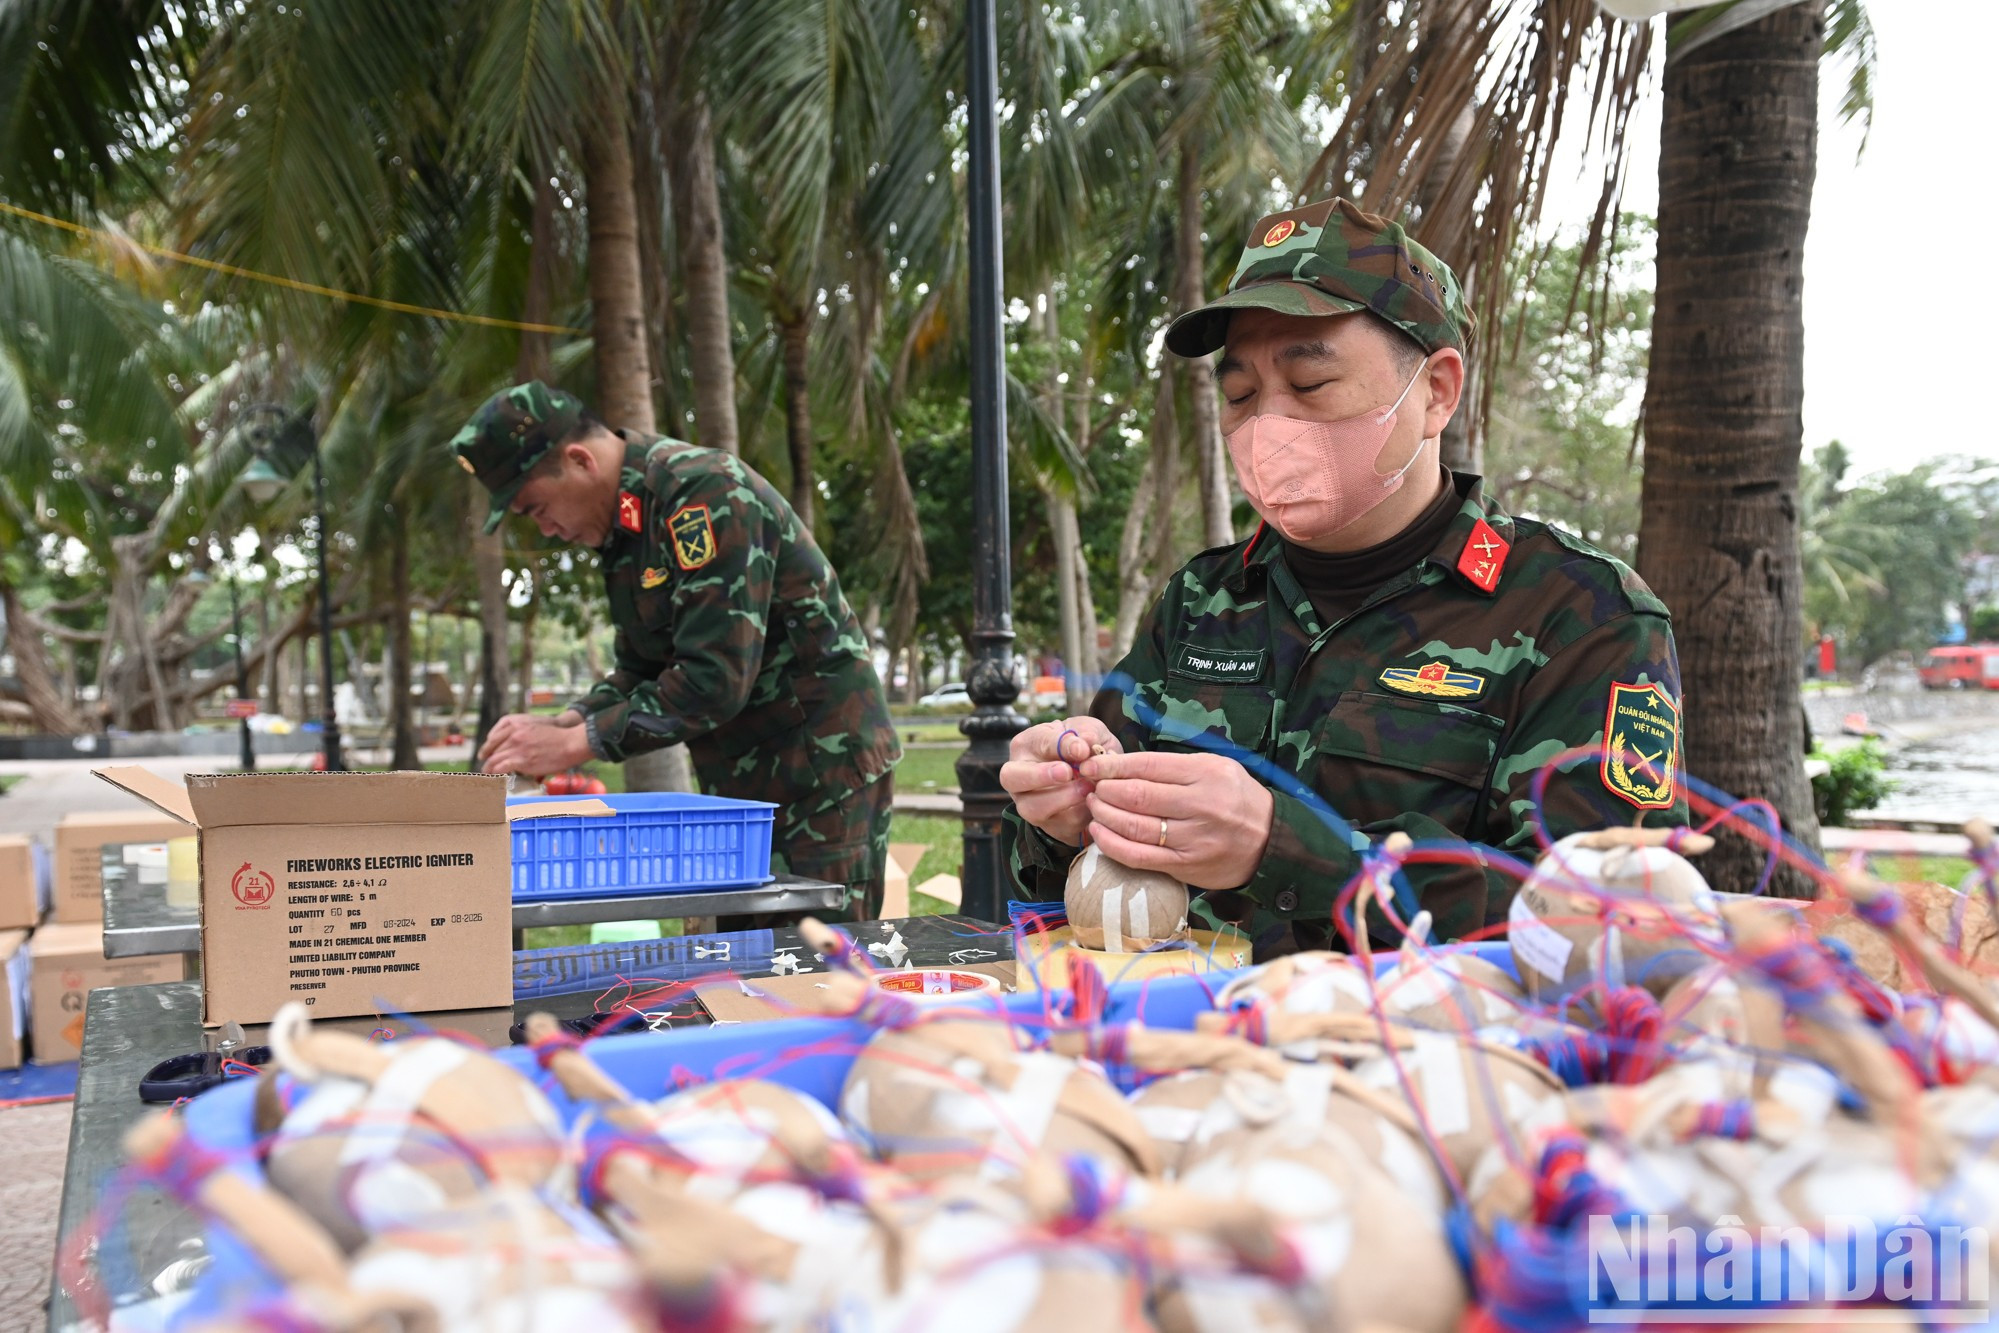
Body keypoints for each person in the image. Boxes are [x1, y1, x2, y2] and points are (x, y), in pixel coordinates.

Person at [1001, 198, 1686, 955]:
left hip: (1424, 1031)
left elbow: (1616, 924)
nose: (1267, 424)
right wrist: (1060, 815)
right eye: (1239, 395)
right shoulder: (1201, 601)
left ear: (1436, 391)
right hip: (1189, 1023)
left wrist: (1288, 849)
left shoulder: (1582, 615)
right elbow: (1086, 879)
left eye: (1310, 382)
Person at [451, 381, 902, 917]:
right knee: (747, 960)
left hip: (819, 778)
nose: (546, 529)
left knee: (814, 958)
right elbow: (643, 669)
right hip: (743, 791)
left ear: (579, 460)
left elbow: (713, 679)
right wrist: (565, 721)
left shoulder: (703, 493)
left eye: (536, 508)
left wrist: (575, 744)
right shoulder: (625, 529)